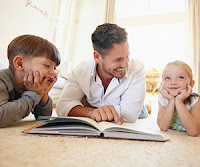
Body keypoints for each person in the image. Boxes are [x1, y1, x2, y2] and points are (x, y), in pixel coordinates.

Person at [56, 23, 147, 125]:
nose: (126, 64)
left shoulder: (137, 69)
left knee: (143, 112)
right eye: (118, 59)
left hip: (127, 100)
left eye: (127, 56)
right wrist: (91, 112)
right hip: (106, 104)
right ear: (97, 57)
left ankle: (146, 106)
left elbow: (130, 114)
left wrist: (83, 108)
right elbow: (62, 106)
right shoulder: (80, 71)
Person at [0, 34, 60, 128]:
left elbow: (44, 117)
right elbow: (1, 117)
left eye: (55, 68)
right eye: (47, 66)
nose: (53, 73)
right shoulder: (2, 79)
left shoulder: (32, 85)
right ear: (19, 63)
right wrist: (33, 95)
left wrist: (44, 94)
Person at [157, 60, 200, 136]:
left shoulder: (195, 100)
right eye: (167, 78)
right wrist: (171, 101)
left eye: (180, 77)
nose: (173, 82)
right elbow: (163, 127)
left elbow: (194, 132)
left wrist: (179, 102)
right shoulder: (163, 99)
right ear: (162, 84)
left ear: (191, 84)